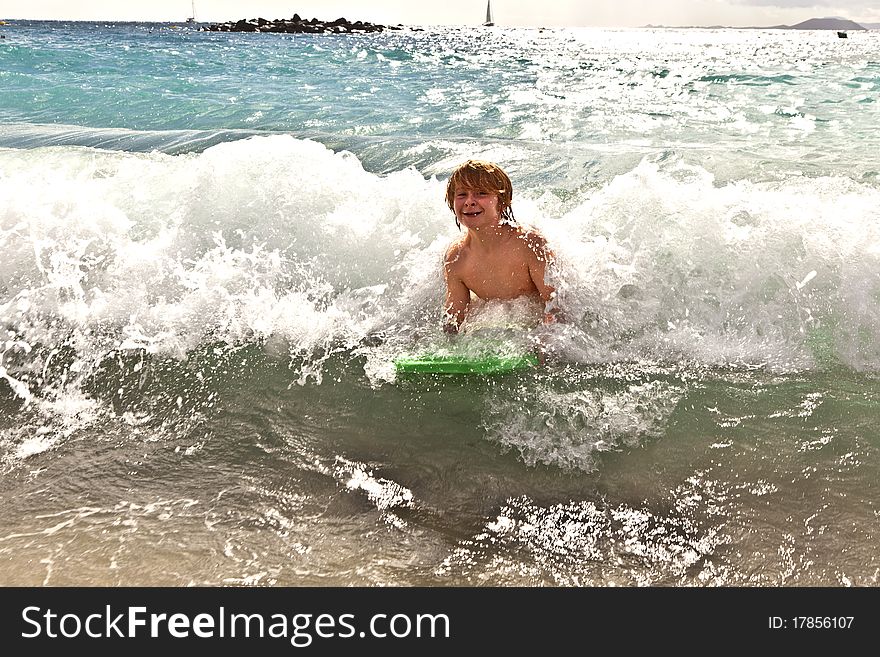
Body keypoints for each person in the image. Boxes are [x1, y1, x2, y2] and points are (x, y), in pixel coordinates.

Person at [442, 159, 560, 334]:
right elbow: (454, 318)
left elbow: (556, 306)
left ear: (503, 201)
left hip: (535, 326)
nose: (469, 201)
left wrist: (545, 341)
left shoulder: (529, 244)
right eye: (461, 195)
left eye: (481, 193)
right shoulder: (457, 258)